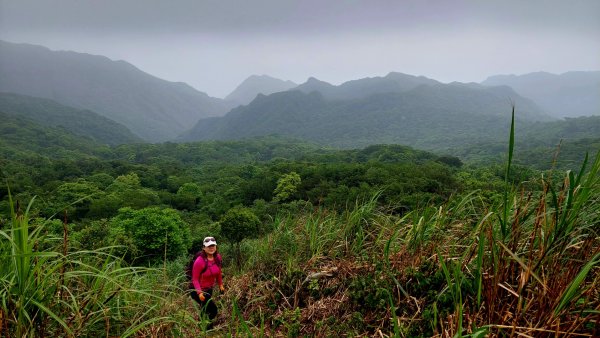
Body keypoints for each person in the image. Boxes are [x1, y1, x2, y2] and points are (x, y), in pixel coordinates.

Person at [189, 236, 224, 325]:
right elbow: (195, 279)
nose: (211, 248)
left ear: (216, 247)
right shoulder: (199, 261)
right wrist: (199, 293)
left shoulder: (218, 258)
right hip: (196, 290)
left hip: (209, 289)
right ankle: (206, 326)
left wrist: (220, 284)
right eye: (209, 246)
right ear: (204, 248)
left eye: (213, 245)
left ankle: (204, 325)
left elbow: (218, 272)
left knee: (205, 308)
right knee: (213, 310)